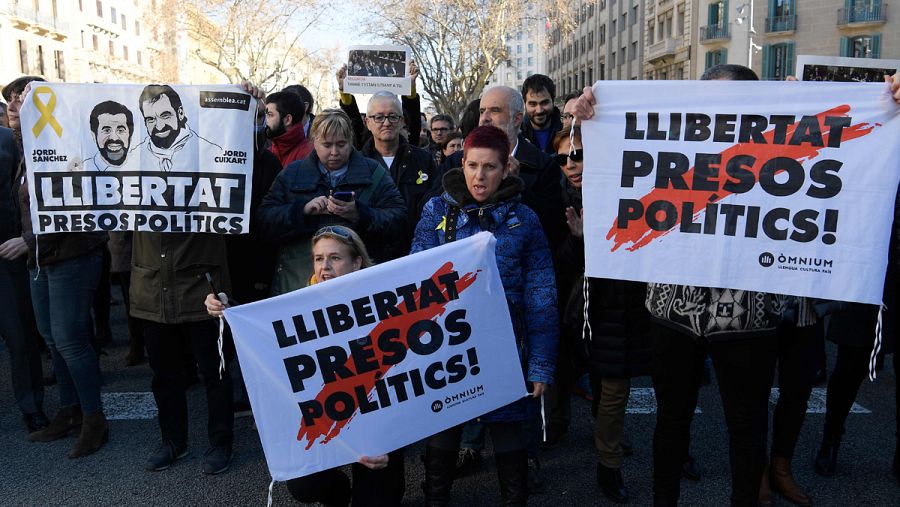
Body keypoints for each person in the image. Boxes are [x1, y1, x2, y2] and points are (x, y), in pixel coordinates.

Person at [205, 225, 405, 506]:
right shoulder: (298, 305)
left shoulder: (385, 300)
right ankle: (337, 491)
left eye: (335, 258)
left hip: (378, 420)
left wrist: (389, 438)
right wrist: (227, 307)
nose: (325, 267)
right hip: (327, 415)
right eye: (318, 258)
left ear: (357, 261)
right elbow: (263, 328)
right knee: (305, 486)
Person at [412, 125, 558, 506]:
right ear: (462, 163)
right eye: (473, 165)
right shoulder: (435, 211)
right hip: (448, 348)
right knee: (443, 432)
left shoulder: (525, 219)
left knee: (510, 434)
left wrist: (540, 364)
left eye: (490, 167)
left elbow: (541, 296)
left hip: (507, 347)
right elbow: (413, 281)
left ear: (507, 167)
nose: (480, 176)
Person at [6, 76, 109, 458]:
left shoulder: (71, 143)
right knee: (51, 338)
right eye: (12, 101)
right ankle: (70, 412)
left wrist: (28, 242)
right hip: (41, 260)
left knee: (69, 338)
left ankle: (94, 420)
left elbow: (77, 209)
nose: (14, 106)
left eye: (23, 99)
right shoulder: (26, 148)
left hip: (73, 254)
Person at [551, 127, 653, 503]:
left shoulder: (630, 192)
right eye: (563, 158)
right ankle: (554, 429)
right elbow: (557, 265)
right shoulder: (552, 197)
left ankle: (608, 467)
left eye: (578, 155)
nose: (571, 164)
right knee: (562, 378)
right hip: (573, 312)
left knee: (612, 391)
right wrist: (578, 240)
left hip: (618, 310)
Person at [257, 108, 407, 295]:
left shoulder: (373, 172)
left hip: (359, 286)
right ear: (314, 142)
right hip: (299, 284)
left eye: (341, 144)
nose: (334, 152)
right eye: (327, 145)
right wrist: (302, 212)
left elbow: (400, 219)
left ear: (351, 142)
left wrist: (360, 214)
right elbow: (264, 221)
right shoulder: (292, 174)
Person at [0, 85, 47, 434]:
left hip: (7, 255)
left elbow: (24, 190)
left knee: (21, 337)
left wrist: (27, 241)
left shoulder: (6, 141)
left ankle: (32, 406)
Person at [135, 84, 222, 171]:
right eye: (150, 119)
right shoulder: (133, 157)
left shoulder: (212, 153)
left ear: (180, 113)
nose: (159, 126)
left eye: (165, 116)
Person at [265, 90, 313, 167]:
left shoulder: (310, 154)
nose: (266, 120)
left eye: (270, 115)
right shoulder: (267, 153)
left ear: (287, 120)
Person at [85, 100, 135, 171]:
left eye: (120, 130)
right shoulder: (84, 168)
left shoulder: (138, 164)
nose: (114, 138)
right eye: (106, 130)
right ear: (94, 135)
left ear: (130, 135)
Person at [519, 74, 562, 154]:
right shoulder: (517, 137)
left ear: (553, 101)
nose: (539, 110)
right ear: (525, 104)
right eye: (533, 104)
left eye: (544, 103)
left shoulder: (566, 132)